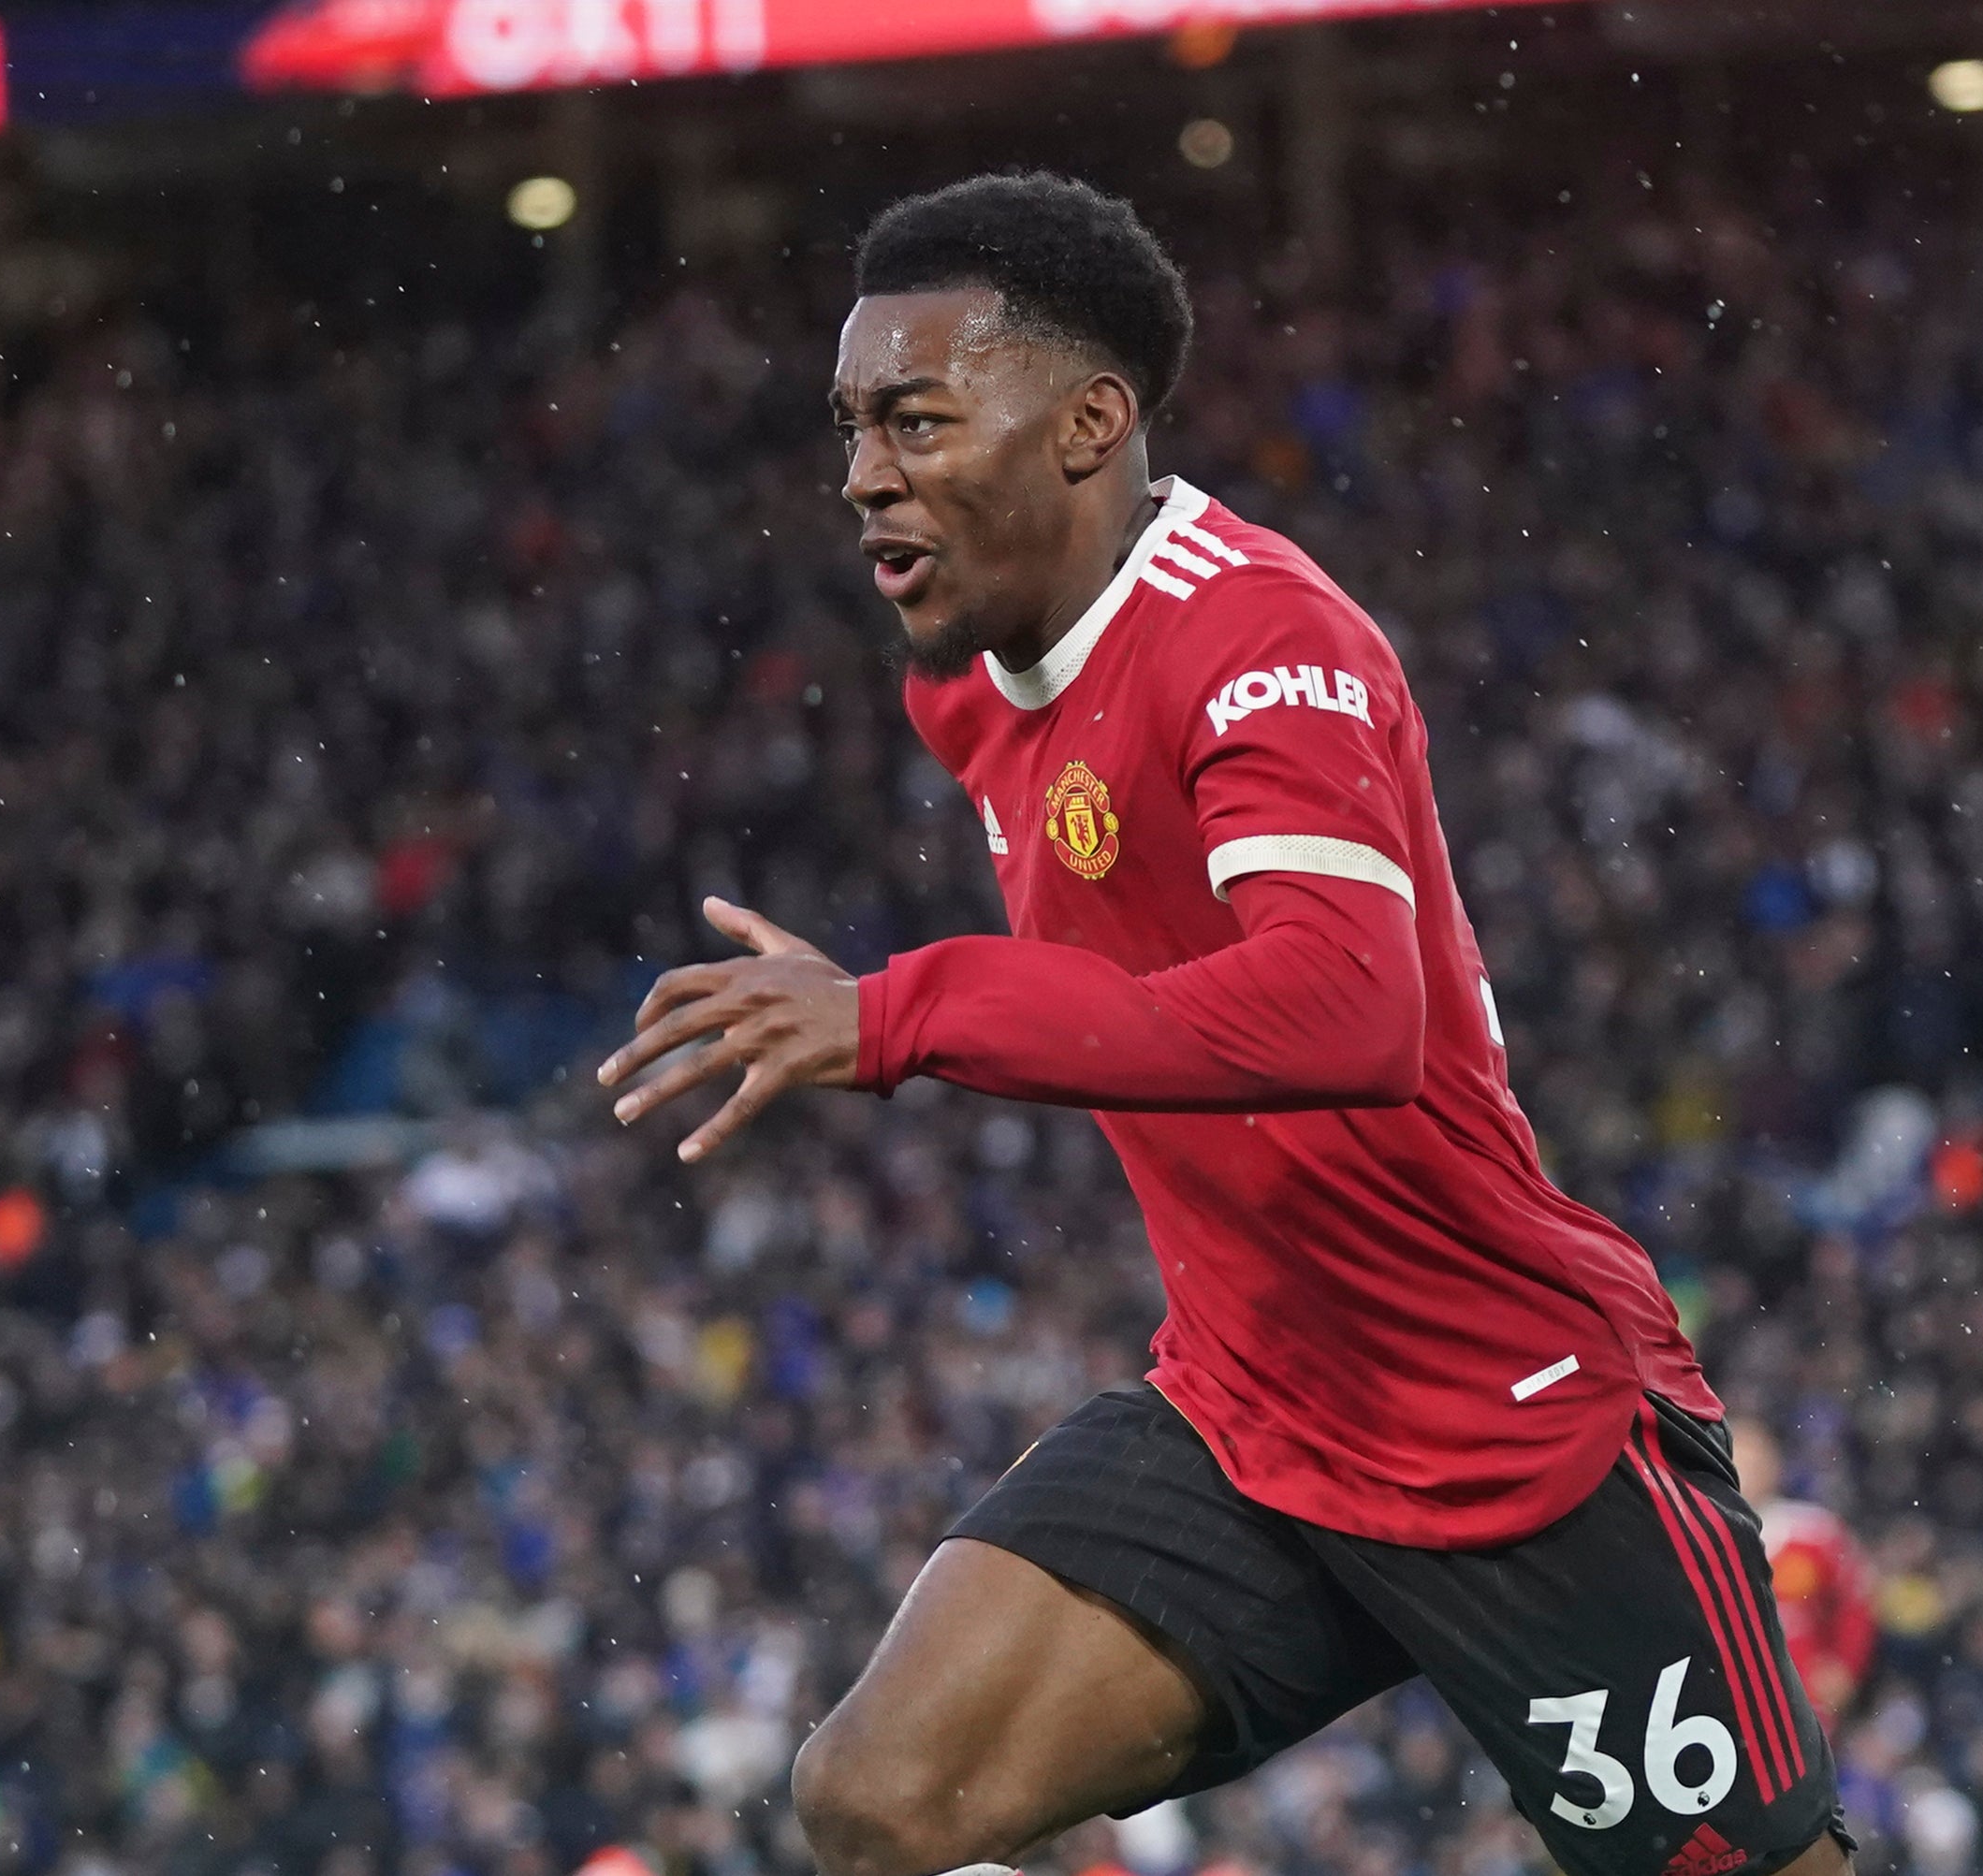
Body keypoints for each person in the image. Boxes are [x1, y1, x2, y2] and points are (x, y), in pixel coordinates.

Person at [595, 173, 1852, 1876]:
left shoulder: (1263, 636)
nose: (861, 473)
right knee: (882, 1800)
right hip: (1254, 1411)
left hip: (1513, 1417)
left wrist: (902, 1009)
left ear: (1086, 424)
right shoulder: (964, 682)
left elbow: (1345, 1011)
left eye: (913, 419)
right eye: (848, 427)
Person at [1730, 1420, 1877, 1729]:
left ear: (1775, 1467)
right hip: (1721, 1692)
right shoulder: (1692, 1531)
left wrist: (1845, 1666)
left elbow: (1857, 1600)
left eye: (1754, 1462)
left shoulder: (1813, 1531)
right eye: (1736, 1459)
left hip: (1800, 1698)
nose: (1745, 1472)